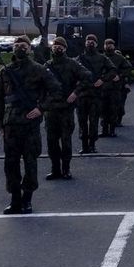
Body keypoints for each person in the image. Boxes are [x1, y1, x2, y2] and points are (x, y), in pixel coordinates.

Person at [0, 35, 62, 214]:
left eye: (24, 45)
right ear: (13, 48)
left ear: (30, 49)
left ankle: (27, 199)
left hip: (30, 125)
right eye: (17, 45)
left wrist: (41, 108)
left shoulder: (39, 70)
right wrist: (0, 124)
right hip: (10, 125)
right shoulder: (4, 72)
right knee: (11, 164)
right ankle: (15, 199)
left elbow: (56, 90)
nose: (20, 48)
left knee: (30, 162)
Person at [44, 37, 92, 180]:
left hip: (66, 109)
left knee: (66, 142)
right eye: (55, 45)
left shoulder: (72, 64)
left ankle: (66, 169)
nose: (57, 48)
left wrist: (75, 93)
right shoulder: (47, 65)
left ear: (65, 48)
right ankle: (55, 169)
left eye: (60, 46)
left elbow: (88, 77)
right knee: (51, 142)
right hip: (51, 110)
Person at [75, 34, 116, 154]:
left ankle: (92, 145)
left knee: (93, 121)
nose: (90, 43)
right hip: (82, 95)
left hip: (96, 95)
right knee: (82, 121)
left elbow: (113, 71)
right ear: (85, 43)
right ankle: (84, 145)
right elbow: (72, 73)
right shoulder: (79, 59)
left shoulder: (102, 58)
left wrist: (103, 79)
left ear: (97, 44)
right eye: (88, 41)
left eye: (93, 41)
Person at [100, 38, 133, 137]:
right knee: (103, 110)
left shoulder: (120, 58)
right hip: (103, 88)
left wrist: (120, 76)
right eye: (107, 44)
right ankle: (104, 130)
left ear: (114, 46)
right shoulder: (100, 57)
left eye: (111, 44)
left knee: (114, 109)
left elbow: (128, 68)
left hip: (115, 88)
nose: (109, 46)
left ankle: (112, 130)